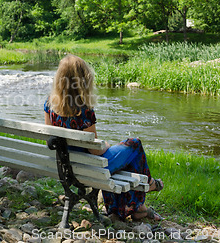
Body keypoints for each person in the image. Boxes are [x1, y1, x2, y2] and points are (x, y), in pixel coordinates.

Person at [44, 54, 164, 221]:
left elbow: (51, 139)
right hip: (90, 167)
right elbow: (95, 151)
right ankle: (148, 184)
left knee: (124, 156)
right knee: (134, 144)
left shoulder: (50, 104)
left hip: (66, 166)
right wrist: (106, 145)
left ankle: (127, 209)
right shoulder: (83, 110)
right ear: (83, 80)